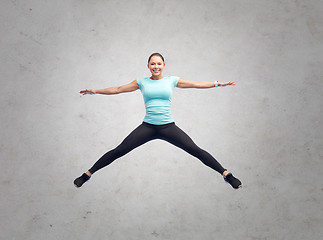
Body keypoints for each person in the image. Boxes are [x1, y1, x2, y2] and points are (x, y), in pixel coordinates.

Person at [74, 53, 242, 189]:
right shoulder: (141, 82)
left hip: (168, 127)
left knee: (195, 150)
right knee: (119, 150)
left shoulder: (172, 80)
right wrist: (95, 91)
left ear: (164, 65)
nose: (156, 66)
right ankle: (87, 175)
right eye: (153, 64)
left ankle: (227, 175)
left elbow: (196, 84)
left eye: (159, 63)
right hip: (148, 127)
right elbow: (117, 89)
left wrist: (217, 84)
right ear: (148, 66)